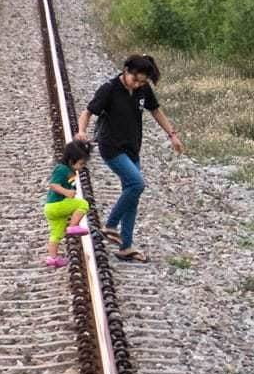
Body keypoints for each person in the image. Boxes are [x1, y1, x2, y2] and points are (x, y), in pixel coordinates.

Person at [75, 55, 183, 263]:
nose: (139, 84)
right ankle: (110, 225)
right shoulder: (109, 88)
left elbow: (156, 111)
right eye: (136, 79)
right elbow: (87, 113)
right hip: (111, 147)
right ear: (126, 70)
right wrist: (81, 131)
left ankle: (126, 247)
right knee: (137, 184)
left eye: (143, 81)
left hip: (132, 148)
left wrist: (172, 135)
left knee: (132, 196)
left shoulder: (143, 90)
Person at [43, 140, 91, 268]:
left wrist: (71, 191)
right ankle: (73, 226)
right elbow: (53, 185)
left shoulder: (70, 172)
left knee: (56, 234)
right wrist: (66, 192)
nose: (82, 167)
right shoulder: (62, 169)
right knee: (83, 204)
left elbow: (71, 185)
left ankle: (52, 258)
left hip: (52, 209)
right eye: (81, 163)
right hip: (56, 205)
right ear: (71, 161)